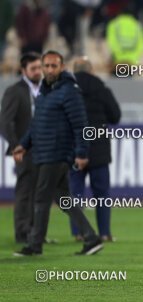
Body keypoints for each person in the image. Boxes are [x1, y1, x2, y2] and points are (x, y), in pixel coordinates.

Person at [12, 50, 103, 256]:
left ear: (62, 67)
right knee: (64, 199)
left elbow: (81, 126)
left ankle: (35, 245)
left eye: (54, 66)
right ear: (43, 68)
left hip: (56, 153)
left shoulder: (69, 91)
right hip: (45, 152)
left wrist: (81, 153)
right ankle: (91, 238)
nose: (50, 69)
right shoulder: (45, 92)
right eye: (47, 66)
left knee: (41, 199)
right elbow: (37, 125)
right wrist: (24, 144)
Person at [69, 56, 121, 242]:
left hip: (74, 149)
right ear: (91, 70)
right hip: (99, 151)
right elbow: (115, 116)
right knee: (102, 195)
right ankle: (105, 232)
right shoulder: (101, 89)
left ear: (74, 71)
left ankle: (79, 232)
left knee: (75, 194)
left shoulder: (66, 90)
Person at [0, 52, 41, 243]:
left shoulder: (46, 88)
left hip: (44, 148)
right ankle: (22, 232)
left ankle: (35, 232)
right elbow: (6, 122)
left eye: (39, 67)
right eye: (33, 69)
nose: (38, 72)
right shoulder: (15, 91)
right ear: (23, 70)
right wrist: (16, 145)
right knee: (25, 191)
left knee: (39, 193)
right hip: (24, 149)